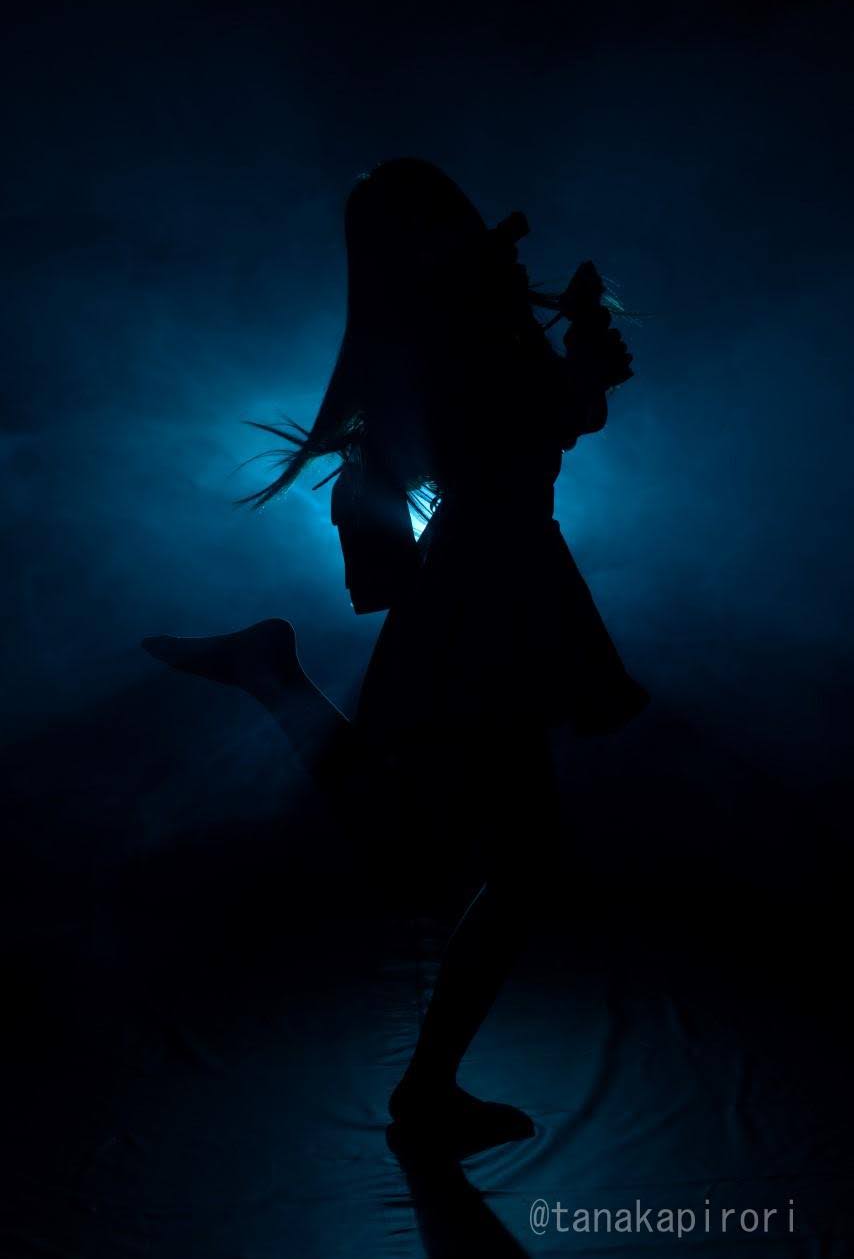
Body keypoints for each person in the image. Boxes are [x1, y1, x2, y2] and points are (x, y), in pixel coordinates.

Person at [143, 157, 648, 1157]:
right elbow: (540, 422)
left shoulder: (442, 320)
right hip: (493, 580)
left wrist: (577, 356)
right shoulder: (458, 323)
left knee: (456, 849)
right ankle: (425, 1092)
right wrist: (582, 356)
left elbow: (538, 422)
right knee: (488, 856)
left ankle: (426, 1091)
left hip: (486, 574)